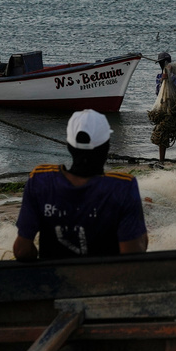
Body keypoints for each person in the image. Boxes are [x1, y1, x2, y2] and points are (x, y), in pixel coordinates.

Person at [13, 109, 148, 261]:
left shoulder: (40, 180)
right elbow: (132, 255)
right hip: (105, 281)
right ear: (106, 147)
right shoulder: (122, 187)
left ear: (69, 146)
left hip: (55, 281)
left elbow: (22, 250)